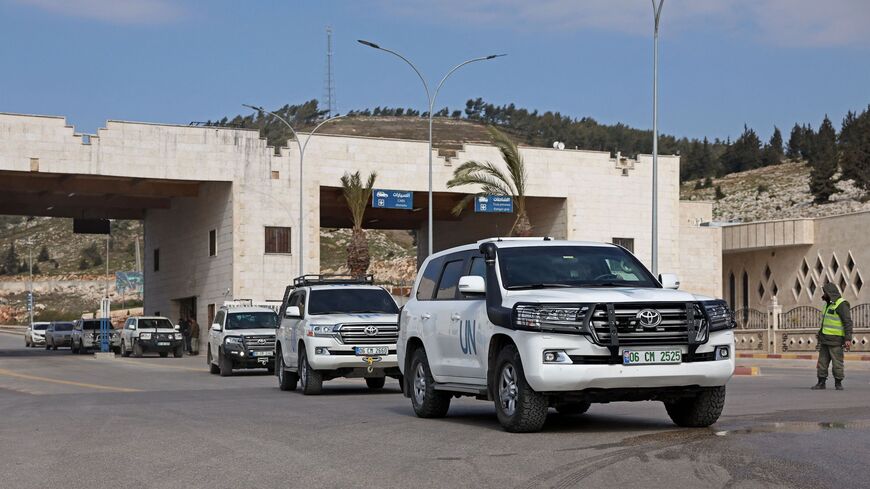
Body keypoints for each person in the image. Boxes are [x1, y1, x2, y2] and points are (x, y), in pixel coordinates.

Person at [812, 283, 854, 391]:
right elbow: (824, 323)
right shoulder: (827, 305)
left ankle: (838, 383)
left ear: (830, 293)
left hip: (836, 340)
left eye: (825, 292)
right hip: (825, 340)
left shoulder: (841, 304)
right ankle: (821, 383)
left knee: (837, 363)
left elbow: (847, 322)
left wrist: (848, 338)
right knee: (822, 362)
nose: (824, 294)